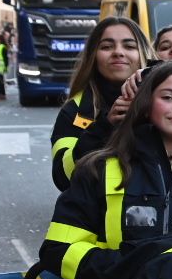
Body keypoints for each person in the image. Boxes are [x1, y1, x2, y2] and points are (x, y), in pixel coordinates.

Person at [41, 60, 172, 279]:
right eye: (168, 97)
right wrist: (129, 270)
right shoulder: (97, 170)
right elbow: (59, 249)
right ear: (145, 104)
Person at [50, 17, 150, 191]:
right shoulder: (74, 111)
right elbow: (63, 177)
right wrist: (103, 127)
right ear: (93, 56)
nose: (118, 52)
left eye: (129, 46)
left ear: (143, 53)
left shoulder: (166, 101)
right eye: (106, 47)